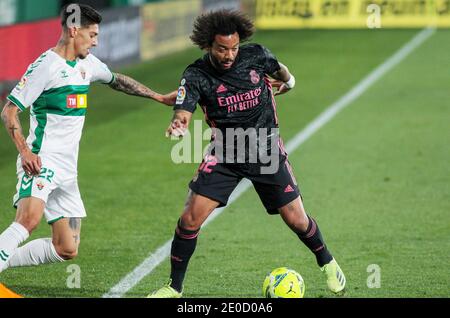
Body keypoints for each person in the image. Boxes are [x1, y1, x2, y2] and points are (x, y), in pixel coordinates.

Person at [148, 9, 346, 298]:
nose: (229, 55)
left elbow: (280, 69)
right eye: (222, 49)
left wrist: (289, 82)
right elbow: (184, 108)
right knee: (190, 218)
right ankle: (174, 288)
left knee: (296, 220)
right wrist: (179, 122)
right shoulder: (196, 75)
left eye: (233, 48)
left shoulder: (256, 56)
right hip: (225, 154)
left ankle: (327, 262)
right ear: (208, 45)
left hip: (265, 149)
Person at [0, 4, 175, 275]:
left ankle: (3, 257)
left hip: (68, 171)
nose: (96, 41)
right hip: (41, 160)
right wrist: (25, 152)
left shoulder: (87, 64)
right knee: (28, 220)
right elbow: (9, 110)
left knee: (66, 248)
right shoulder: (45, 66)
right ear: (73, 30)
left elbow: (117, 81)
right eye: (91, 35)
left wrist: (158, 97)